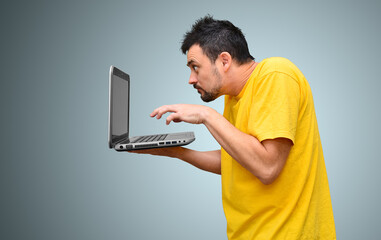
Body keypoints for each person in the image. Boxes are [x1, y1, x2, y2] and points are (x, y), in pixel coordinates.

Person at [132, 16, 336, 239]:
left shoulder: (276, 74)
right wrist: (176, 152)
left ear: (225, 61)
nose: (191, 79)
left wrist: (205, 114)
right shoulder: (233, 98)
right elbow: (237, 161)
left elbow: (267, 167)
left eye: (195, 67)